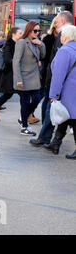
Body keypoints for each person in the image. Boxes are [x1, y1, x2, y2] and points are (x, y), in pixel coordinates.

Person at [30, 12, 74, 147]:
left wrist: (53, 91)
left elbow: (58, 68)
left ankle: (45, 138)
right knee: (65, 114)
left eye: (56, 22)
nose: (55, 24)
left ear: (61, 21)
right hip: (69, 86)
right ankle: (55, 142)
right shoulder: (70, 37)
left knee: (54, 109)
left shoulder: (64, 40)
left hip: (61, 86)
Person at [45, 25, 76, 158]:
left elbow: (58, 76)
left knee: (72, 118)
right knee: (66, 116)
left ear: (65, 37)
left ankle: (56, 143)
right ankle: (55, 143)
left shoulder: (64, 51)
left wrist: (54, 94)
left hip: (68, 91)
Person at [12, 21, 46, 136]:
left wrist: (41, 44)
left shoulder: (36, 42)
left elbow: (43, 55)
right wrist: (18, 79)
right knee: (25, 102)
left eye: (38, 30)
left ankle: (24, 117)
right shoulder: (22, 42)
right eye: (35, 30)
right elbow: (16, 62)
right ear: (29, 30)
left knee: (37, 98)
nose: (37, 32)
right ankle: (24, 127)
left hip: (34, 77)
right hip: (24, 78)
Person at [0, 27, 23, 121]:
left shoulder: (16, 44)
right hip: (10, 75)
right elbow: (8, 61)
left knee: (8, 95)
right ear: (13, 34)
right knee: (23, 95)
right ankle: (28, 116)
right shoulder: (9, 45)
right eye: (20, 33)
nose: (22, 35)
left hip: (12, 75)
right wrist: (19, 62)